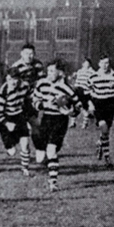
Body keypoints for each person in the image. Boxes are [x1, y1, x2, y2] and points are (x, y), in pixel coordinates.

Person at [32, 59, 79, 191]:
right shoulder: (42, 85)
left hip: (60, 120)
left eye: (52, 71)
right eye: (48, 71)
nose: (49, 73)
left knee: (51, 150)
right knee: (42, 148)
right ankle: (42, 153)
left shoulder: (67, 89)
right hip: (46, 118)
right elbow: (34, 101)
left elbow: (78, 105)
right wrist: (43, 105)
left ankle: (53, 181)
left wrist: (71, 112)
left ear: (61, 73)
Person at [10, 43, 46, 163]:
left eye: (31, 54)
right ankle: (25, 151)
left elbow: (42, 81)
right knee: (20, 128)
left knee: (35, 124)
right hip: (19, 101)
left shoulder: (38, 65)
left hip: (32, 100)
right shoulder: (16, 67)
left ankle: (40, 149)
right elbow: (11, 85)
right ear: (21, 54)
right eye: (26, 53)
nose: (29, 56)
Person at [0, 67, 31, 176]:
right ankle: (8, 145)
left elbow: (29, 98)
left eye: (15, 79)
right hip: (5, 117)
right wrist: (6, 123)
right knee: (12, 151)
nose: (13, 82)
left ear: (19, 79)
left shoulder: (25, 86)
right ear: (6, 78)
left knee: (25, 144)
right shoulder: (3, 91)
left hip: (19, 115)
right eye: (10, 79)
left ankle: (25, 169)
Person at [87, 53, 114, 168]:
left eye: (107, 63)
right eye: (103, 63)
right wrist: (90, 103)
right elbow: (87, 92)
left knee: (106, 131)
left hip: (110, 104)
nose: (105, 65)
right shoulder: (93, 76)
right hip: (98, 103)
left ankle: (100, 144)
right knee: (103, 127)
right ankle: (107, 158)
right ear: (99, 64)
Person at [72, 58, 95, 129]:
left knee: (84, 107)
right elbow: (77, 81)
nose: (86, 64)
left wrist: (91, 90)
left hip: (85, 91)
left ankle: (85, 123)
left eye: (87, 63)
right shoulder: (79, 71)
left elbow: (93, 82)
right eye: (85, 63)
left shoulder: (92, 72)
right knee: (75, 106)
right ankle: (73, 123)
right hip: (78, 90)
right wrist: (75, 88)